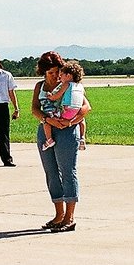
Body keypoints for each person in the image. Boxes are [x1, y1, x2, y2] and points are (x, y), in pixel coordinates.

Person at [31, 51, 91, 232]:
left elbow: (86, 107)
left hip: (66, 131)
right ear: (43, 72)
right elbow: (34, 108)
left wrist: (70, 121)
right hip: (46, 129)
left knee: (67, 171)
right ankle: (58, 214)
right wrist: (47, 120)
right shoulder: (39, 86)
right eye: (51, 73)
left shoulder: (70, 85)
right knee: (51, 172)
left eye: (58, 71)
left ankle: (69, 217)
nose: (55, 76)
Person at [40, 60, 87, 151]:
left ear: (68, 75)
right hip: (76, 112)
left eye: (61, 75)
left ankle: (49, 139)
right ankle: (82, 138)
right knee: (82, 120)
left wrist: (51, 97)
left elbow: (58, 95)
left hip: (65, 111)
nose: (59, 77)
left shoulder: (66, 84)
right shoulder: (80, 86)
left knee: (47, 120)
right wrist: (72, 121)